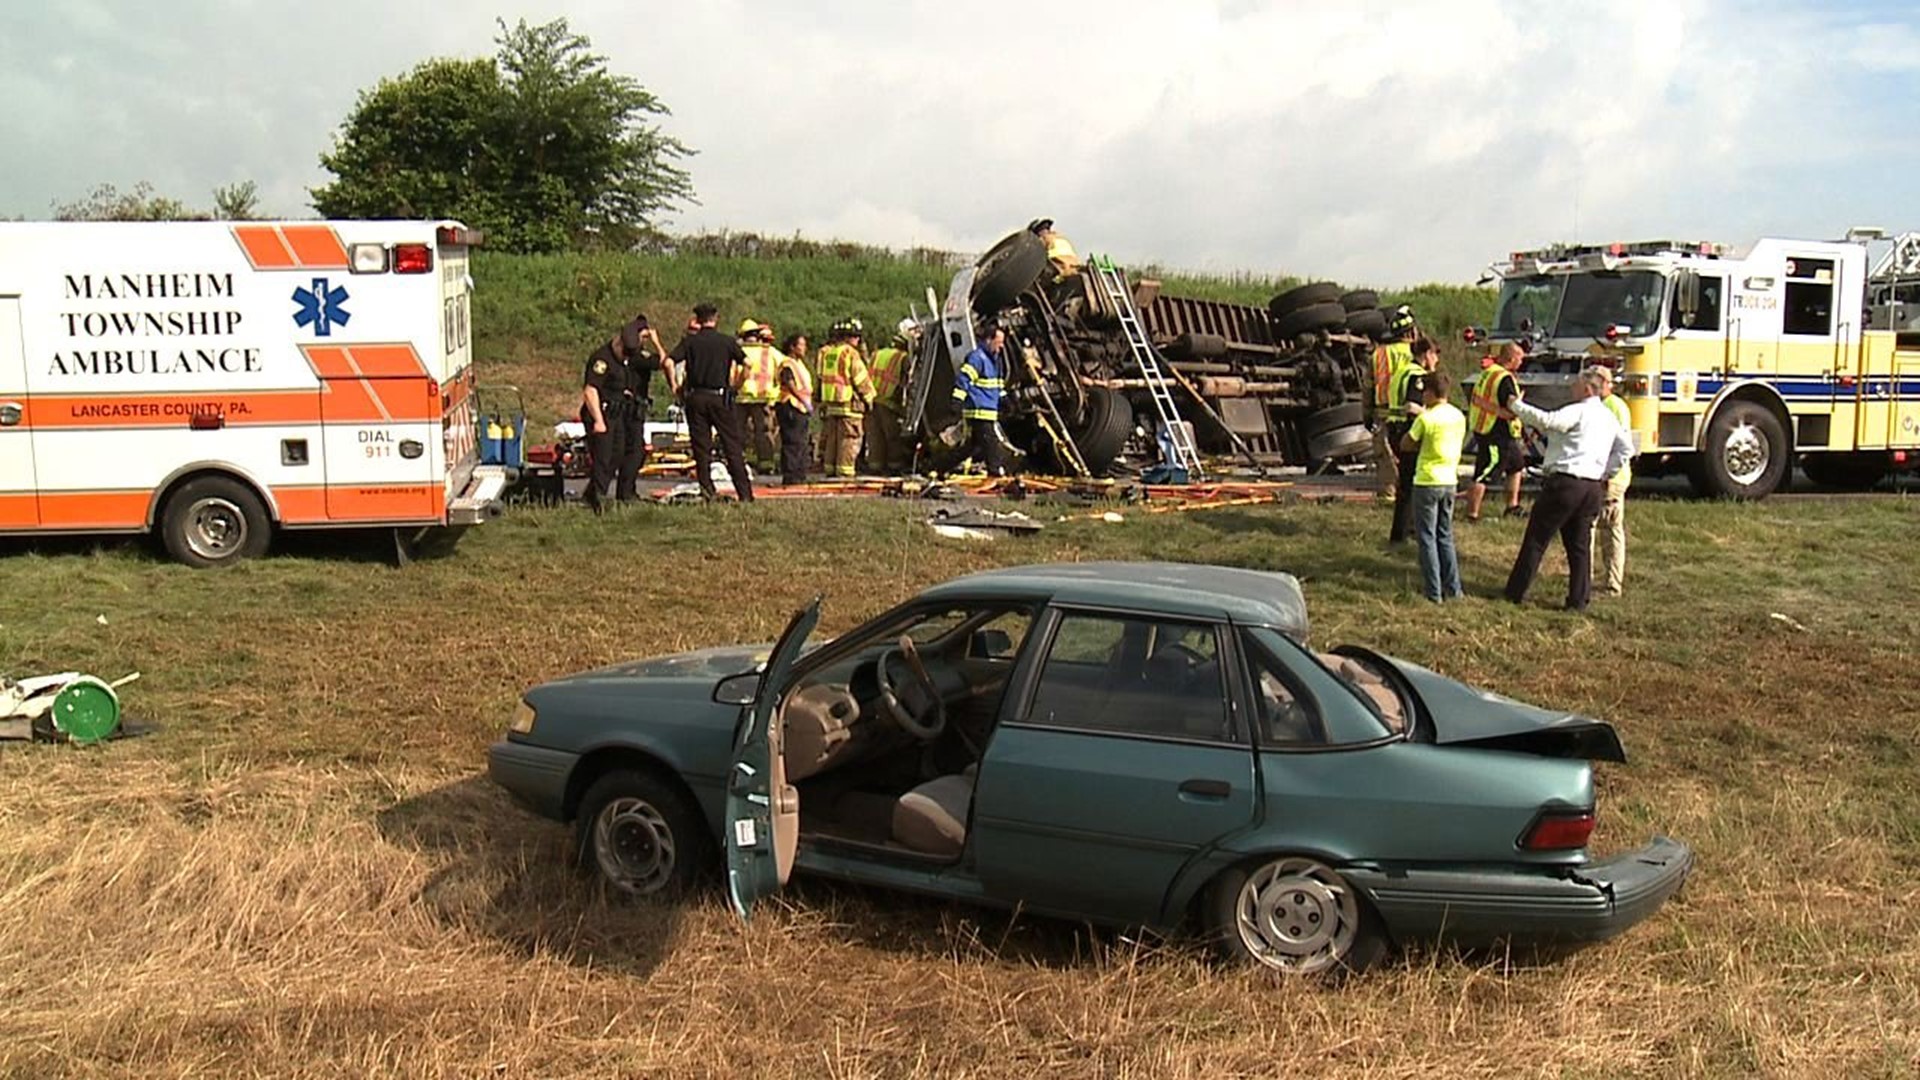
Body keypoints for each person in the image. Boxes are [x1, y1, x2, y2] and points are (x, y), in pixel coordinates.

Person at [1501, 366, 1634, 611]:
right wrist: (1606, 471)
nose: (1571, 388)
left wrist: (1515, 406)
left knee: (1537, 538)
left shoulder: (1578, 411)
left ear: (1586, 388)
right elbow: (1626, 449)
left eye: (1575, 384)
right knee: (1579, 547)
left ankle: (1515, 592)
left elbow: (1547, 421)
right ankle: (1578, 600)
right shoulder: (1608, 417)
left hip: (1565, 482)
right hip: (1592, 486)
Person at [579, 313, 669, 510]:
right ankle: (597, 498)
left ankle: (596, 495)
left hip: (617, 414)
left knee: (619, 454)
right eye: (626, 354)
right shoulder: (601, 359)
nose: (627, 359)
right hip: (600, 413)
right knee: (604, 457)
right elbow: (590, 390)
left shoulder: (629, 357)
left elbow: (663, 363)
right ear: (619, 343)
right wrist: (598, 421)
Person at [668, 303, 756, 502]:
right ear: (715, 318)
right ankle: (745, 494)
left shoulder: (690, 342)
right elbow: (748, 364)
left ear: (698, 320)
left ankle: (707, 490)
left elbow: (668, 362)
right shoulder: (726, 342)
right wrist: (736, 387)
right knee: (731, 445)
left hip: (696, 398)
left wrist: (675, 386)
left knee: (701, 447)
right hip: (720, 397)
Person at [1399, 370, 1467, 602]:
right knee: (1445, 535)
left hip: (1427, 481)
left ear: (1429, 393)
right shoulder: (1458, 415)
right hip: (1450, 480)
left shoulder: (1426, 418)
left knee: (1426, 538)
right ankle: (1454, 589)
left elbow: (1406, 443)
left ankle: (1433, 592)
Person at [1465, 342, 1527, 522]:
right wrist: (1519, 404)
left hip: (1485, 428)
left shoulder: (1488, 372)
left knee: (1517, 466)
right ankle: (1472, 514)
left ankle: (1512, 506)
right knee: (1483, 473)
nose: (1521, 362)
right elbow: (1511, 405)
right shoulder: (1505, 378)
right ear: (1511, 358)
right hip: (1496, 432)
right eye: (1520, 358)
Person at [1386, 329, 1432, 544]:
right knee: (1410, 484)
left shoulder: (1401, 371)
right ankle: (1403, 533)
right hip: (1407, 431)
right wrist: (1434, 414)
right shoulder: (1418, 375)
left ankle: (1406, 529)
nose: (1437, 360)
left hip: (1394, 428)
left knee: (1407, 483)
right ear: (1427, 354)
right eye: (1436, 354)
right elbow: (1412, 406)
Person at [815, 319, 876, 478]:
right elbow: (861, 379)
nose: (858, 341)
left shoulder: (828, 353)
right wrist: (870, 399)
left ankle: (830, 469)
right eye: (856, 337)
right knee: (849, 440)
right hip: (849, 405)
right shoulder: (850, 354)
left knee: (833, 440)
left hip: (831, 404)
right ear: (849, 337)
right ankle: (845, 473)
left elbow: (820, 378)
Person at [1591, 366, 1632, 596]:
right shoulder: (1617, 405)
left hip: (1609, 477)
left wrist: (1606, 474)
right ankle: (1612, 580)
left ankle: (1605, 582)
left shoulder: (1610, 407)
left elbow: (1615, 446)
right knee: (1612, 529)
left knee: (1597, 527)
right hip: (1617, 476)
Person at [1369, 307, 1415, 505]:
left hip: (1382, 413)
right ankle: (1408, 495)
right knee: (1410, 456)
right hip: (1410, 413)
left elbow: (1368, 387)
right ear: (1411, 332)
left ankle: (1388, 497)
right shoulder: (1417, 353)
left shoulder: (1378, 354)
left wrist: (1366, 414)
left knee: (1385, 457)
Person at [953, 326, 1012, 477]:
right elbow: (964, 380)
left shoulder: (995, 360)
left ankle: (938, 467)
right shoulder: (977, 358)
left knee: (973, 447)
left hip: (988, 410)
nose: (1001, 346)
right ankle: (996, 472)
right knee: (991, 442)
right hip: (978, 410)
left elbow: (997, 384)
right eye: (999, 342)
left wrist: (1004, 399)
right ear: (988, 340)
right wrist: (957, 400)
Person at [862, 320, 917, 475]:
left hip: (872, 400)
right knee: (892, 437)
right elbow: (907, 383)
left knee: (875, 437)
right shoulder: (903, 358)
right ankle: (894, 467)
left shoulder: (877, 354)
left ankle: (875, 467)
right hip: (889, 402)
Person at [733, 319, 784, 472]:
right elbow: (786, 367)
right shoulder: (769, 351)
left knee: (739, 432)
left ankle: (740, 462)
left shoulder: (737, 350)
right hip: (762, 398)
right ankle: (766, 464)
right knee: (764, 432)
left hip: (739, 397)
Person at [774, 338, 814, 484]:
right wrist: (803, 400)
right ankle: (791, 476)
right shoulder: (787, 364)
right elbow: (790, 383)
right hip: (791, 405)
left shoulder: (800, 364)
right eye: (801, 345)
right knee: (792, 442)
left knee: (801, 443)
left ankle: (799, 474)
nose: (804, 348)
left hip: (800, 407)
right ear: (792, 347)